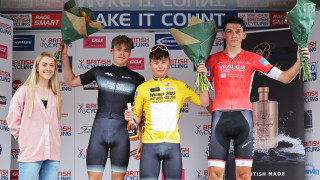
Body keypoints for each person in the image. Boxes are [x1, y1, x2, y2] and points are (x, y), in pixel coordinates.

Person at [198, 16, 311, 180]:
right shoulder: (212, 60)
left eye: (238, 31)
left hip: (244, 121)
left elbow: (285, 78)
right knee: (215, 176)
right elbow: (203, 100)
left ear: (244, 35)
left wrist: (299, 62)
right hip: (219, 122)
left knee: (244, 176)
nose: (234, 35)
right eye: (229, 31)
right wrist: (201, 80)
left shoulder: (254, 59)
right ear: (223, 34)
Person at [58, 35, 144, 180]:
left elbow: (141, 112)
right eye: (118, 49)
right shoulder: (99, 72)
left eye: (126, 50)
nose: (122, 53)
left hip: (122, 135)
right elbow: (71, 81)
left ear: (130, 53)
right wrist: (65, 56)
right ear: (111, 50)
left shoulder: (137, 79)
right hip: (99, 133)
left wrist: (142, 139)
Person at [124, 44, 210, 179]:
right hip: (149, 146)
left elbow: (204, 102)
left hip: (173, 145)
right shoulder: (142, 88)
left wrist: (204, 78)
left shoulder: (180, 86)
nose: (160, 66)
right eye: (156, 62)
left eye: (163, 62)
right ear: (150, 64)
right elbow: (138, 118)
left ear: (170, 63)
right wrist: (131, 116)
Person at [6, 52, 62, 180]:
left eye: (52, 65)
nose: (48, 68)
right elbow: (12, 118)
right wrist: (24, 138)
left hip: (53, 154)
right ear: (37, 67)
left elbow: (57, 123)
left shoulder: (56, 95)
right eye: (44, 65)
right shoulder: (24, 91)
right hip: (31, 153)